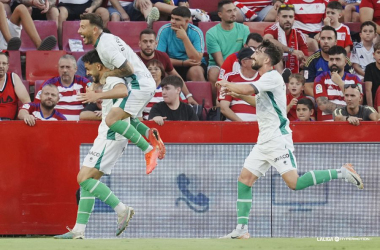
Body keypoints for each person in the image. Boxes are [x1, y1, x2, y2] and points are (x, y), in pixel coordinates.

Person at [216, 39, 363, 240]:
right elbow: (255, 99)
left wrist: (227, 83)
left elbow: (249, 89)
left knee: (294, 183)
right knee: (244, 180)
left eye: (258, 52)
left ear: (266, 59)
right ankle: (241, 229)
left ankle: (342, 172)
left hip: (278, 139)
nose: (253, 55)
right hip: (264, 141)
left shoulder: (273, 77)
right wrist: (235, 92)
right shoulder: (264, 80)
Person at [54, 50, 135, 240]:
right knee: (87, 183)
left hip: (112, 134)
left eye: (89, 69)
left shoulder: (114, 79)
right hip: (106, 134)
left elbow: (123, 92)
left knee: (83, 178)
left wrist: (96, 96)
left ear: (99, 66)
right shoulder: (104, 80)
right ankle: (79, 230)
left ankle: (122, 209)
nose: (87, 73)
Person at [78, 13, 166, 167]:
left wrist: (105, 77)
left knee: (112, 119)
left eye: (82, 27)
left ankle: (148, 150)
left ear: (94, 29)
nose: (79, 31)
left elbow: (128, 69)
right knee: (128, 119)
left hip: (138, 85)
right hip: (145, 84)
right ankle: (149, 134)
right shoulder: (106, 40)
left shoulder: (105, 47)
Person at [136, 28, 197, 104]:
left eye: (151, 41)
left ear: (156, 43)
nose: (148, 44)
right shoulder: (133, 58)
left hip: (161, 95)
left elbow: (176, 77)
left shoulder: (163, 56)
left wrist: (188, 96)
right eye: (145, 41)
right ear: (139, 44)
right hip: (140, 95)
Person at [206, 1, 250, 104]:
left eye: (235, 10)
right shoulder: (211, 33)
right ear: (220, 14)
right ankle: (216, 105)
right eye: (229, 11)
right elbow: (220, 62)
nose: (234, 13)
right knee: (214, 73)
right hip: (219, 65)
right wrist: (233, 72)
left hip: (240, 63)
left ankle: (244, 103)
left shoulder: (244, 29)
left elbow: (246, 53)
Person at [156, 6, 207, 82]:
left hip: (192, 65)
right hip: (171, 64)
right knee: (162, 71)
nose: (172, 21)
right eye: (172, 18)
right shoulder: (164, 30)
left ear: (187, 21)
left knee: (196, 72)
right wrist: (182, 63)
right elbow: (160, 58)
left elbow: (196, 59)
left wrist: (185, 38)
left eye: (177, 19)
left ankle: (200, 94)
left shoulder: (196, 32)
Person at [34, 54, 90, 121]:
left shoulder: (84, 83)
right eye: (62, 67)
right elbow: (36, 107)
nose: (65, 70)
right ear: (58, 69)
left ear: (76, 69)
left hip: (79, 127)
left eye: (68, 67)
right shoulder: (48, 84)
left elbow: (96, 101)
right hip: (54, 126)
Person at [314, 45, 362, 121]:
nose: (334, 62)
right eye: (331, 59)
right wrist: (349, 109)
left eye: (338, 59)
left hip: (349, 123)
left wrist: (340, 84)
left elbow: (358, 104)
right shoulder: (320, 78)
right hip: (326, 124)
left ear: (345, 62)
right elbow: (323, 105)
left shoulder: (355, 79)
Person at [303, 26, 353, 96]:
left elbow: (351, 86)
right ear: (319, 41)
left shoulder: (345, 61)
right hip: (319, 97)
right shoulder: (312, 60)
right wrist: (323, 100)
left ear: (336, 42)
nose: (326, 41)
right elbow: (308, 87)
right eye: (323, 38)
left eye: (329, 38)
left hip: (342, 96)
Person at [263, 4, 307, 74]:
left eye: (290, 17)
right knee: (277, 53)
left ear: (294, 19)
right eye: (284, 16)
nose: (288, 19)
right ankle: (282, 77)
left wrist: (303, 63)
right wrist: (291, 50)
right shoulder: (272, 29)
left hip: (295, 72)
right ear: (277, 18)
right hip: (272, 67)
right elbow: (267, 39)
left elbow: (305, 57)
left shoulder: (299, 34)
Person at [219, 47, 260, 121]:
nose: (258, 60)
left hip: (260, 125)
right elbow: (224, 108)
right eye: (254, 58)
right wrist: (241, 124)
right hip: (235, 123)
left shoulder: (264, 77)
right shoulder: (228, 78)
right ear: (244, 62)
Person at [0, 50, 30, 120]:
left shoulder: (13, 78)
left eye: (4, 63)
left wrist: (25, 114)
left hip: (10, 124)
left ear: (7, 66)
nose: (1, 66)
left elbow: (27, 101)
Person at [364, 42, 380, 107]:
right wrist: (371, 109)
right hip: (373, 100)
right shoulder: (369, 68)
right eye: (378, 53)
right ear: (374, 54)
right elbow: (368, 90)